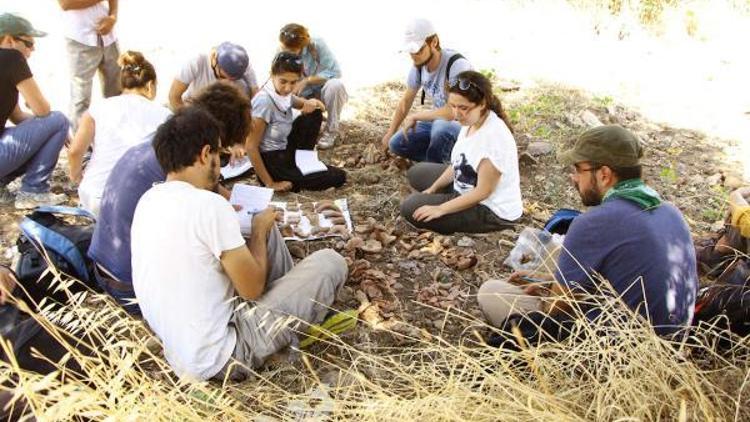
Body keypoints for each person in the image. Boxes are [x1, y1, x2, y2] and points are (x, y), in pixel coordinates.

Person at [131, 106, 347, 381]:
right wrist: (257, 232)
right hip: (226, 356)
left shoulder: (148, 200)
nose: (220, 165)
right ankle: (292, 318)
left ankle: (290, 301)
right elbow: (252, 289)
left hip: (182, 352)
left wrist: (261, 232)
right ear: (204, 154)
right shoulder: (207, 206)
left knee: (263, 231)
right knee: (330, 262)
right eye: (219, 156)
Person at [477, 125, 698, 337]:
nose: (574, 178)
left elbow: (556, 311)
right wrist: (551, 280)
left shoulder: (594, 222)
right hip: (672, 342)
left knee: (491, 291)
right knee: (558, 257)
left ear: (604, 174)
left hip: (618, 354)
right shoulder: (671, 211)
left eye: (578, 170)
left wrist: (551, 292)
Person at [88, 81, 250, 314]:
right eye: (219, 150)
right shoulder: (183, 168)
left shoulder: (166, 142)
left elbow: (220, 194)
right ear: (209, 147)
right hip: (131, 287)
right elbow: (213, 223)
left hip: (103, 268)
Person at [400, 71, 521, 234]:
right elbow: (458, 162)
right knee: (417, 172)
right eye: (453, 106)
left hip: (490, 210)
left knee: (409, 207)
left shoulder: (493, 138)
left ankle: (456, 208)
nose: (456, 114)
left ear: (483, 103)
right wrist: (433, 188)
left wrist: (440, 209)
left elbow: (483, 192)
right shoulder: (471, 121)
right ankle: (448, 196)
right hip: (469, 183)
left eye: (463, 108)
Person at [68, 51, 170, 216]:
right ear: (150, 85)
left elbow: (74, 151)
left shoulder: (98, 108)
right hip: (131, 201)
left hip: (93, 196)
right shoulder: (164, 115)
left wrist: (77, 176)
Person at [246, 52, 346, 192]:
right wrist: (270, 183)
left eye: (293, 82)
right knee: (338, 176)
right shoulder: (264, 101)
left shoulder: (283, 94)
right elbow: (250, 146)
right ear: (272, 75)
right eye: (283, 81)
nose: (288, 88)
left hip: (284, 149)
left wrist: (314, 102)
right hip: (272, 162)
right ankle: (287, 173)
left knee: (314, 114)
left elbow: (313, 106)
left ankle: (305, 161)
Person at [0, 13, 69, 209]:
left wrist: (49, 133)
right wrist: (55, 128)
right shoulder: (11, 57)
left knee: (54, 125)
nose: (33, 49)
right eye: (28, 43)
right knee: (60, 119)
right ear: (9, 39)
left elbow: (18, 117)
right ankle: (34, 191)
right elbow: (43, 109)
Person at [381, 18, 472, 164]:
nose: (413, 56)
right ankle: (443, 161)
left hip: (463, 123)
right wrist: (391, 132)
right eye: (410, 51)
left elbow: (453, 112)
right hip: (438, 121)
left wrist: (417, 116)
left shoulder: (457, 65)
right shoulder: (419, 66)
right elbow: (405, 102)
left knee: (441, 128)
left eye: (418, 50)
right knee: (396, 143)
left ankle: (437, 168)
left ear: (434, 42)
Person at [279, 23, 347, 149]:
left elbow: (336, 72)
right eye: (284, 49)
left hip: (322, 91)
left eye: (291, 50)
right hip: (302, 97)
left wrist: (307, 81)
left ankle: (331, 131)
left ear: (301, 46)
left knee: (336, 85)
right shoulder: (281, 51)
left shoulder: (317, 44)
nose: (286, 53)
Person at [58, 0, 121, 132]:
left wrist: (113, 17)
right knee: (81, 98)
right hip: (80, 39)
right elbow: (65, 4)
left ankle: (115, 137)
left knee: (116, 94)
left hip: (109, 37)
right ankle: (82, 148)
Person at [168, 42, 258, 110]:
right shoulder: (197, 62)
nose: (227, 82)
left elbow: (256, 95)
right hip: (194, 106)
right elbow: (173, 96)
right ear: (214, 60)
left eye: (233, 80)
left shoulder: (243, 65)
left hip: (224, 110)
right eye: (223, 77)